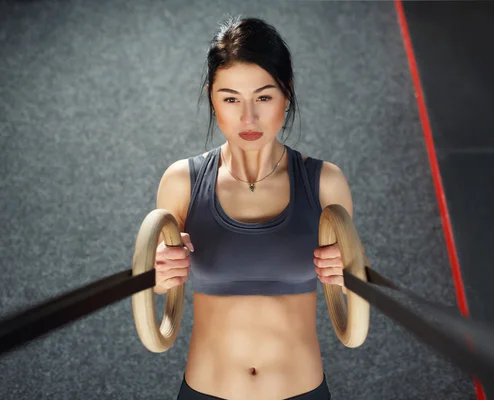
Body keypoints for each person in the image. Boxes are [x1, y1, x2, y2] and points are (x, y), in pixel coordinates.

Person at [153, 16, 370, 400]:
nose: (247, 117)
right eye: (231, 98)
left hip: (300, 390)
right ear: (212, 98)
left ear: (286, 95)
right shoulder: (181, 182)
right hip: (207, 390)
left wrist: (346, 274)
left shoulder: (325, 183)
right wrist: (161, 272)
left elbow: (355, 299)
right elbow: (159, 287)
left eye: (264, 97)